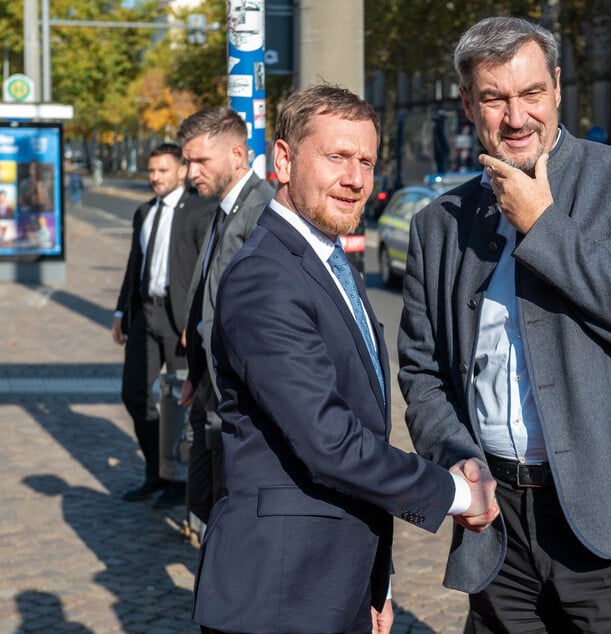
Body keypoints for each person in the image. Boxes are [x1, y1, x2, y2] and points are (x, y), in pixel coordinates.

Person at [398, 16, 611, 633]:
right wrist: (457, 458)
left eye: (531, 93)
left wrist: (544, 226)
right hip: (499, 528)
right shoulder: (438, 222)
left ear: (559, 88)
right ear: (468, 103)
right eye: (494, 98)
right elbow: (423, 368)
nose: (516, 117)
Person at [191, 83, 498, 634]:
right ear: (283, 160)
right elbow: (331, 442)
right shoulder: (265, 277)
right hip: (280, 596)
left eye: (366, 161)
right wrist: (456, 494)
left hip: (335, 584)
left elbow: (363, 429)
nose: (355, 179)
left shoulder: (330, 261)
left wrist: (374, 580)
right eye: (336, 157)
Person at [176, 107, 274, 525]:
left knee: (226, 508)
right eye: (188, 161)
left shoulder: (263, 208)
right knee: (202, 499)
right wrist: (194, 374)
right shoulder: (222, 207)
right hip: (208, 383)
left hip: (235, 388)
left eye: (200, 161)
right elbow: (208, 295)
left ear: (238, 155)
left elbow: (266, 308)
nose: (191, 171)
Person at [112, 143, 216, 507]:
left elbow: (207, 273)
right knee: (135, 394)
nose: (155, 177)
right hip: (145, 314)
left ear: (181, 170)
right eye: (151, 171)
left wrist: (198, 318)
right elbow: (134, 264)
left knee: (181, 402)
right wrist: (121, 312)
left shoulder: (201, 212)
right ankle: (156, 472)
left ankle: (180, 481)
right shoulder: (143, 212)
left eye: (162, 171)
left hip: (180, 323)